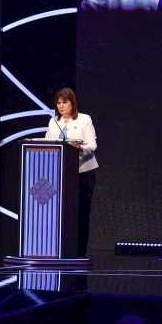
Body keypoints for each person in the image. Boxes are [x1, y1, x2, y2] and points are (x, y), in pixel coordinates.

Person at [43, 87, 99, 256]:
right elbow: (47, 143)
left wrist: (78, 147)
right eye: (58, 103)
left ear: (72, 103)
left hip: (83, 173)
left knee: (81, 213)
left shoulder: (84, 119)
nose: (61, 106)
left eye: (65, 102)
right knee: (60, 214)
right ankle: (59, 250)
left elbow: (92, 146)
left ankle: (79, 252)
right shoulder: (54, 122)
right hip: (60, 175)